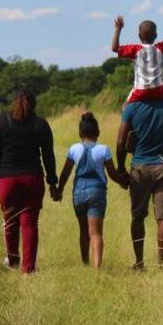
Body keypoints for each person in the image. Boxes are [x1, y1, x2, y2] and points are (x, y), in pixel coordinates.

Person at [116, 96, 163, 270]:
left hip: (140, 168)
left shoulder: (131, 106)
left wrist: (121, 169)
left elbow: (121, 142)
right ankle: (162, 266)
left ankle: (139, 262)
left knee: (137, 216)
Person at [0, 90, 58, 274]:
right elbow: (48, 156)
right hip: (32, 179)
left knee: (10, 222)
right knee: (30, 223)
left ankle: (12, 260)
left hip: (7, 179)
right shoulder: (41, 124)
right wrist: (52, 182)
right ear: (34, 104)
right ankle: (28, 269)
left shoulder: (2, 120)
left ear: (14, 103)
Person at [54, 112, 128, 269]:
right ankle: (97, 268)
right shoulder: (104, 150)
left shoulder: (74, 149)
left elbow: (65, 173)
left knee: (83, 230)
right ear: (98, 133)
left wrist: (59, 190)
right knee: (96, 232)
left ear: (80, 133)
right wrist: (125, 182)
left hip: (79, 193)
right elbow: (113, 174)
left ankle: (85, 261)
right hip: (97, 192)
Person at [111, 5, 163, 104]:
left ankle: (125, 119)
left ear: (139, 36)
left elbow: (115, 48)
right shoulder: (161, 48)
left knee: (125, 108)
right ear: (156, 35)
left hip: (140, 91)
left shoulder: (135, 50)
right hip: (160, 90)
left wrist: (118, 29)